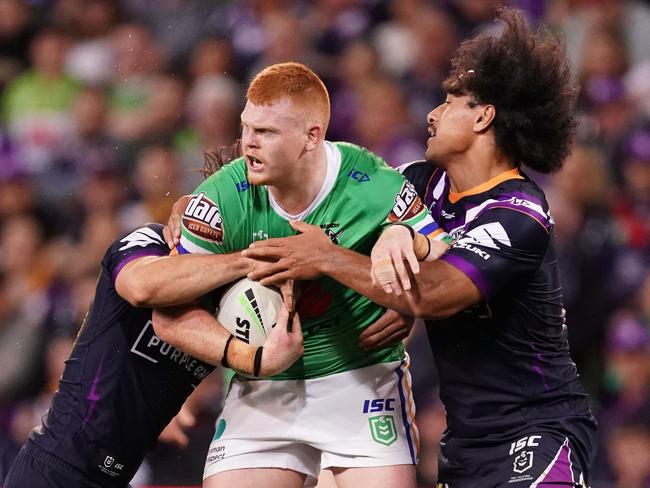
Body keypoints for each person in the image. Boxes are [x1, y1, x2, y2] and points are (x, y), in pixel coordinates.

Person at [244, 9, 598, 487]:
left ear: (484, 115)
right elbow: (317, 190)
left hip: (537, 428)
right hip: (464, 440)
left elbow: (434, 290)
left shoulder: (520, 212)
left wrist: (326, 256)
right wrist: (203, 202)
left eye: (451, 101)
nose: (433, 112)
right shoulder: (417, 182)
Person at [160, 61, 451, 488]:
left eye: (267, 133)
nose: (248, 145)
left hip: (361, 380)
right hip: (262, 390)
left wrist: (406, 241)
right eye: (246, 127)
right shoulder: (223, 196)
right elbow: (168, 304)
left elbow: (442, 257)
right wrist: (246, 360)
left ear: (312, 136)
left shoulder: (368, 180)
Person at [3, 221, 304, 488]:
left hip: (117, 477)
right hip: (56, 469)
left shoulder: (235, 298)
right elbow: (140, 288)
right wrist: (246, 260)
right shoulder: (153, 243)